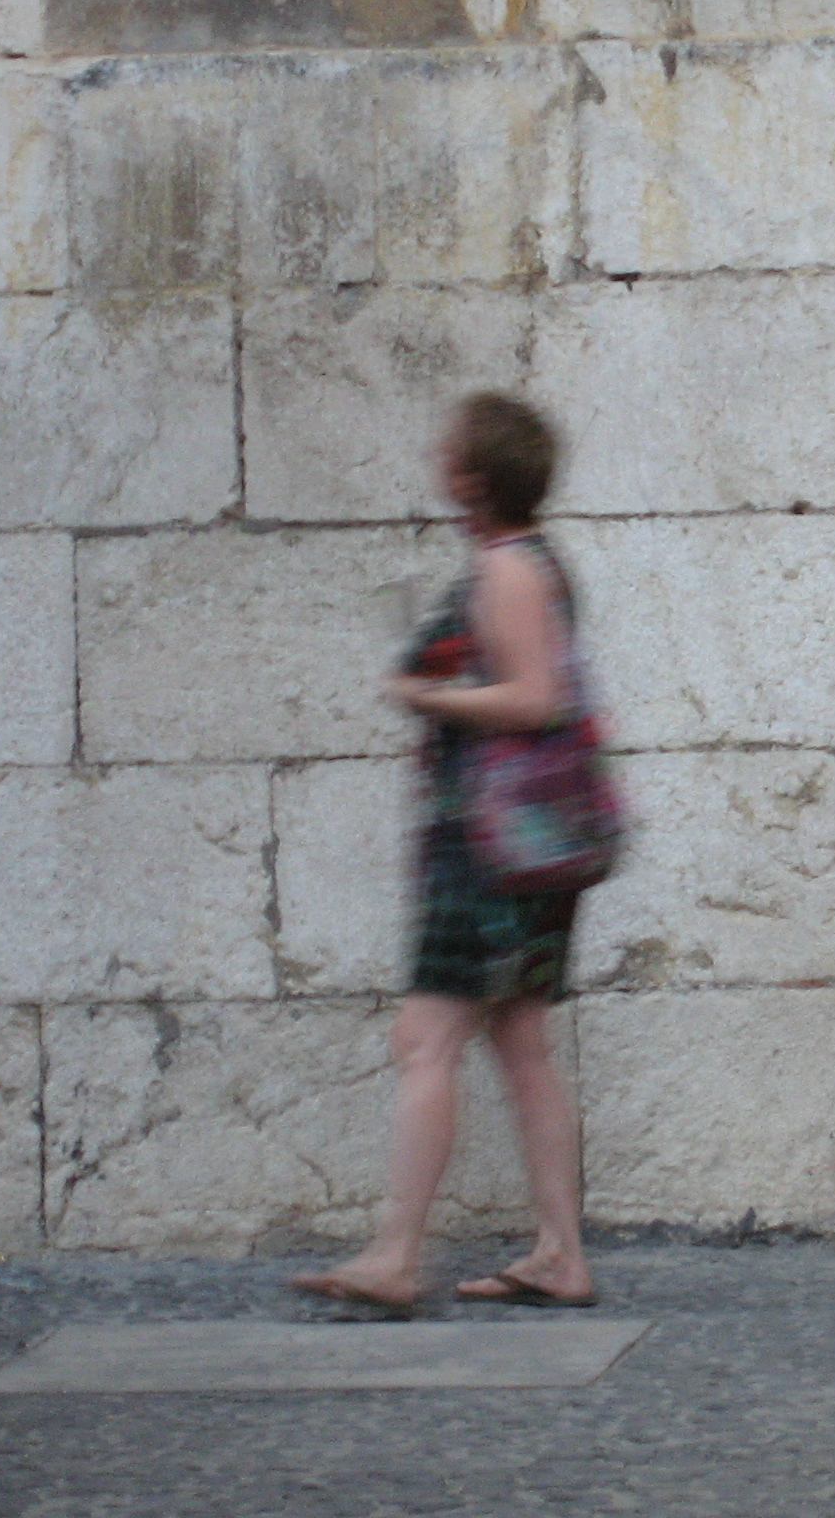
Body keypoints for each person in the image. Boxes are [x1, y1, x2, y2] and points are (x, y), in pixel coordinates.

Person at [291, 393, 602, 1315]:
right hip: (531, 847)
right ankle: (560, 1254)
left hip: (491, 851)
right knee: (521, 1043)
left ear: (472, 477)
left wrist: (428, 698)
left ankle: (396, 1257)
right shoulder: (533, 561)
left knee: (424, 1041)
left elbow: (535, 699)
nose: (436, 458)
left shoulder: (506, 569)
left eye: (448, 450)